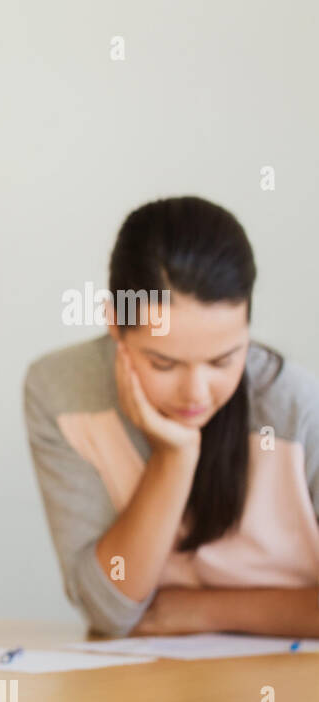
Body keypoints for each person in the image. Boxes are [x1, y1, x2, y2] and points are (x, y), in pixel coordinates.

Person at [25, 195, 319, 637]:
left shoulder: (295, 405)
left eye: (223, 361)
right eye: (164, 364)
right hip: (148, 685)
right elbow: (110, 609)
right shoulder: (62, 391)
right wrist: (173, 456)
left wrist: (206, 611)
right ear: (114, 323)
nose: (196, 393)